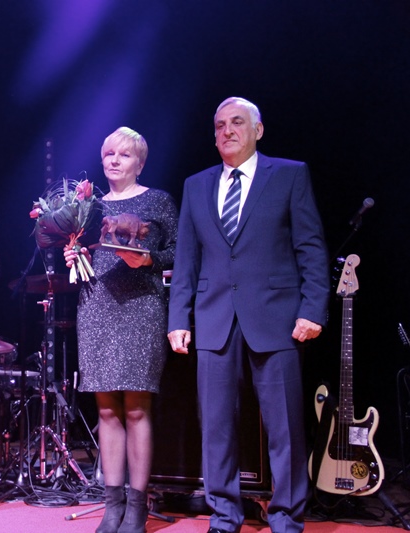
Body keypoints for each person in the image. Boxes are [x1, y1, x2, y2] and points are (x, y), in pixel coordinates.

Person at [167, 97, 328, 533]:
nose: (227, 131)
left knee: (285, 427)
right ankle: (224, 515)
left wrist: (312, 309)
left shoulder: (289, 175)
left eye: (237, 122)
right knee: (216, 425)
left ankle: (286, 516)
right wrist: (178, 318)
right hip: (214, 318)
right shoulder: (196, 185)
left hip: (277, 316)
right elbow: (186, 260)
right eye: (219, 125)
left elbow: (311, 248)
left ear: (258, 130)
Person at [65, 127, 178, 533]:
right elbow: (81, 250)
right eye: (109, 153)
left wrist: (147, 260)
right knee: (107, 410)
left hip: (141, 307)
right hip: (96, 307)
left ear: (140, 163)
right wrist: (74, 254)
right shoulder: (88, 207)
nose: (114, 160)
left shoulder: (158, 200)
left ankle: (136, 507)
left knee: (136, 408)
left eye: (124, 155)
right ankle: (111, 505)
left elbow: (178, 252)